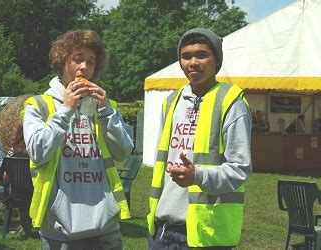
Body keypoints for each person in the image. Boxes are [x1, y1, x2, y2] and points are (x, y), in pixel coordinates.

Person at [22, 29, 134, 249]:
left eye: (91, 62)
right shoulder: (39, 105)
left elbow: (124, 151)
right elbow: (37, 151)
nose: (84, 67)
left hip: (106, 227)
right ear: (62, 62)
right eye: (78, 59)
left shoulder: (103, 105)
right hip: (62, 228)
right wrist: (65, 109)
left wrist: (106, 113)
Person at [147, 28, 252, 249]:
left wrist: (197, 175)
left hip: (207, 232)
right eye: (186, 56)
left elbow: (240, 168)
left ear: (216, 61)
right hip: (163, 228)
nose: (193, 62)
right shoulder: (172, 102)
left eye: (202, 55)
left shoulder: (231, 102)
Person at [2, 122, 33, 238]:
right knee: (27, 197)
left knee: (19, 193)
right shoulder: (35, 151)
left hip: (16, 193)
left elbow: (6, 176)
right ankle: (25, 226)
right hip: (34, 191)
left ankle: (25, 227)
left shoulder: (12, 151)